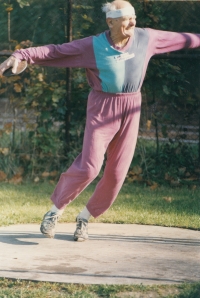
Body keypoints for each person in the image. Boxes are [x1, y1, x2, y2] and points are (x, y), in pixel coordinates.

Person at [0, 0, 199, 241]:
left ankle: (84, 218)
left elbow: (184, 39)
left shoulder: (147, 38)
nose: (133, 22)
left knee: (117, 173)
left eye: (134, 17)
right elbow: (55, 51)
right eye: (127, 18)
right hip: (102, 107)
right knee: (90, 167)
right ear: (111, 22)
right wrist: (21, 54)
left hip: (132, 107)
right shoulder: (93, 46)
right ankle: (55, 211)